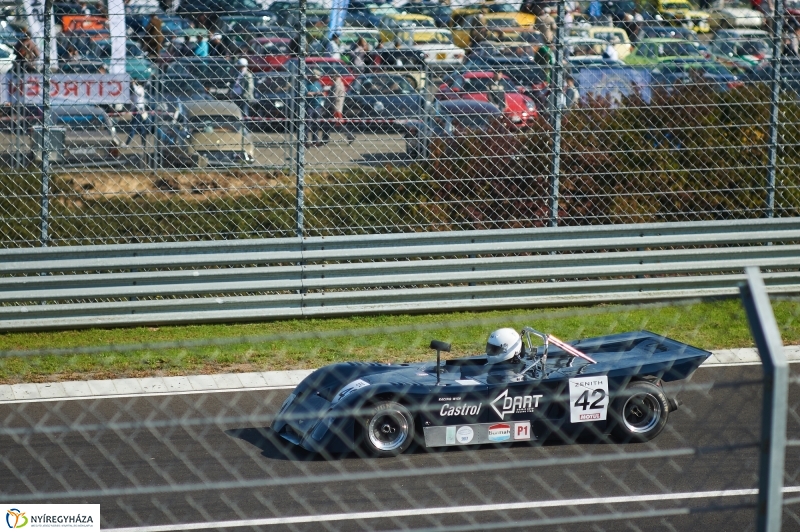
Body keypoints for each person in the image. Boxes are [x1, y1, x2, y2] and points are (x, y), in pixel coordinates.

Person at [123, 79, 149, 148]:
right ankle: (143, 144)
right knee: (139, 128)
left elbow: (137, 92)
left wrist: (133, 84)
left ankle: (127, 143)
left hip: (139, 110)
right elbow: (130, 98)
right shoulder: (133, 92)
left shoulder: (140, 88)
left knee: (135, 127)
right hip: (135, 110)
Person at [331, 72, 355, 143]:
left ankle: (350, 135)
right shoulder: (340, 83)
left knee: (339, 123)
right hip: (338, 106)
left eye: (332, 76)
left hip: (336, 106)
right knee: (337, 123)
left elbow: (334, 96)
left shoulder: (337, 84)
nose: (331, 78)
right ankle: (349, 135)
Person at [305, 70, 326, 146]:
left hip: (317, 106)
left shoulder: (318, 84)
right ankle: (305, 141)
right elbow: (306, 93)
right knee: (307, 124)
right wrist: (315, 93)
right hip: (309, 106)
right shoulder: (306, 84)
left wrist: (321, 94)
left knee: (316, 125)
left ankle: (315, 141)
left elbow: (322, 92)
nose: (317, 79)